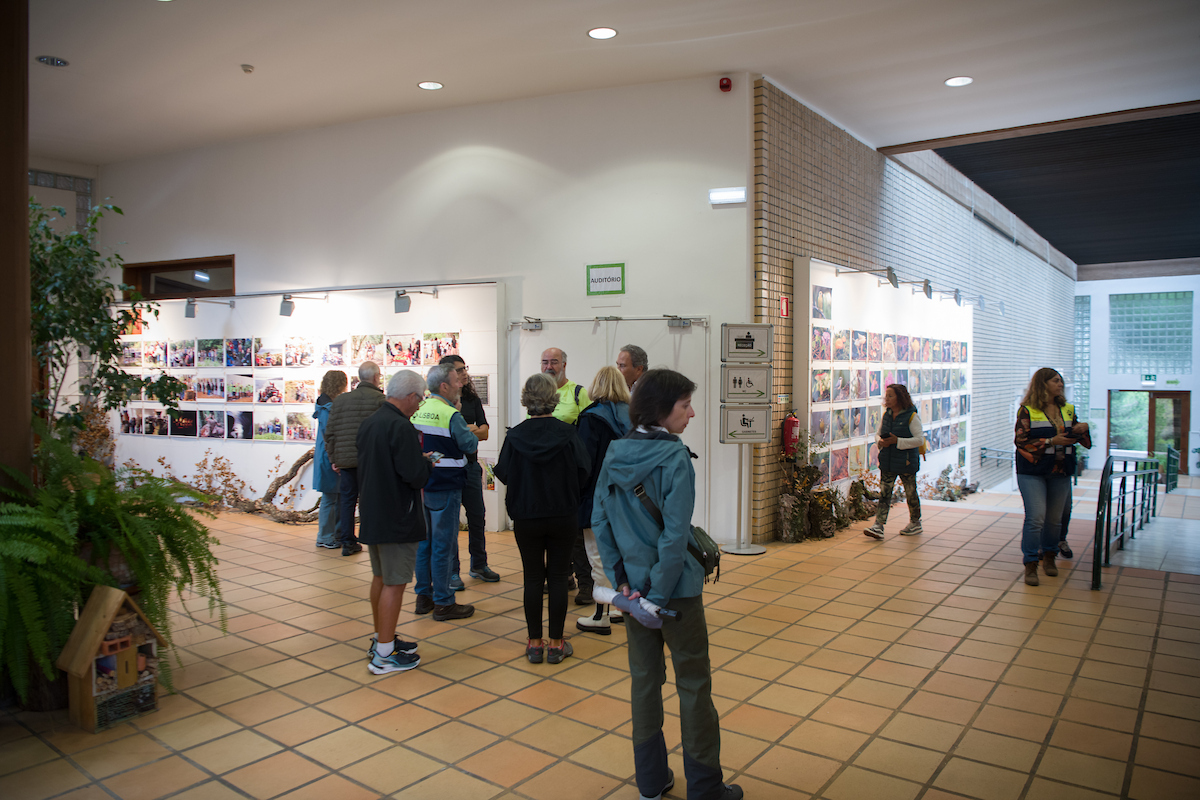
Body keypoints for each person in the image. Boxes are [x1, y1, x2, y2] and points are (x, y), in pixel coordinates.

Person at [592, 369, 742, 800]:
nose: (692, 413)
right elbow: (674, 536)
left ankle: (651, 783)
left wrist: (623, 583)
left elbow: (600, 521)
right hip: (674, 595)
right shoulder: (675, 459)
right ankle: (706, 788)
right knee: (693, 684)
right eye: (685, 406)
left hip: (632, 595)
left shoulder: (615, 452)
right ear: (662, 410)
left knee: (644, 682)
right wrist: (657, 596)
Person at [494, 373, 590, 664]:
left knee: (533, 577)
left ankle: (535, 643)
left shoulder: (515, 436)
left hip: (526, 516)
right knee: (559, 577)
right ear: (554, 398)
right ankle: (557, 644)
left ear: (526, 399)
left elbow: (504, 473)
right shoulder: (568, 433)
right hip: (563, 514)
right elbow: (584, 471)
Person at [356, 371, 433, 674]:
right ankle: (384, 656)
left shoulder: (371, 423)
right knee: (395, 582)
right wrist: (425, 463)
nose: (419, 405)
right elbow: (414, 475)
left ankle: (381, 639)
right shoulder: (401, 427)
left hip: (374, 513)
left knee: (380, 578)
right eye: (420, 399)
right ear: (412, 396)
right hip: (397, 516)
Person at [411, 363, 478, 621]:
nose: (460, 384)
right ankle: (444, 602)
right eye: (456, 381)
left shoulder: (418, 410)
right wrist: (463, 420)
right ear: (444, 386)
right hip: (446, 486)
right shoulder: (451, 415)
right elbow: (469, 444)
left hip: (423, 486)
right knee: (443, 546)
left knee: (424, 544)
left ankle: (423, 596)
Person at [1014, 368, 1091, 586]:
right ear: (1043, 384)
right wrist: (1050, 442)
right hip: (1033, 471)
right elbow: (1021, 441)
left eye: (1061, 381)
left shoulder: (1067, 409)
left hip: (1061, 469)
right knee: (1036, 516)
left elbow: (1076, 436)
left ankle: (1050, 557)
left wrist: (1083, 429)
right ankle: (1030, 563)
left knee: (1055, 519)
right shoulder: (1027, 410)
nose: (1061, 384)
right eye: (1056, 381)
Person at [574, 366, 631, 634]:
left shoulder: (591, 418)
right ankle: (621, 606)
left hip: (597, 498)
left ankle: (601, 615)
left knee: (598, 556)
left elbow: (583, 463)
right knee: (622, 554)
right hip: (628, 499)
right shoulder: (632, 416)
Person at [439, 355, 500, 586]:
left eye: (465, 368)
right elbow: (450, 435)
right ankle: (453, 572)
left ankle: (479, 565)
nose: (464, 373)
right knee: (452, 522)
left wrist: (464, 432)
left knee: (477, 516)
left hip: (472, 467)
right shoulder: (441, 402)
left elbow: (485, 432)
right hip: (450, 469)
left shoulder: (472, 399)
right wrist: (469, 430)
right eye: (459, 370)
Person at [324, 361, 385, 556]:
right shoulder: (380, 400)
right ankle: (371, 538)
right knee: (370, 500)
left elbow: (330, 432)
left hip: (346, 461)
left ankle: (348, 542)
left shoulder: (341, 401)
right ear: (376, 377)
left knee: (347, 501)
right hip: (371, 460)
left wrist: (334, 458)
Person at [864, 383, 924, 540]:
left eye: (891, 396)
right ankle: (878, 525)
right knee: (885, 493)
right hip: (888, 460)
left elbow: (919, 440)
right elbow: (877, 434)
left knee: (910, 492)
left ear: (900, 397)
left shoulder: (911, 416)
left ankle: (915, 522)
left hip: (906, 462)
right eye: (886, 396)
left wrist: (897, 442)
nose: (887, 399)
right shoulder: (887, 415)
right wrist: (880, 442)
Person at [313, 369, 348, 549]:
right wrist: (335, 457)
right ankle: (325, 536)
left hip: (330, 455)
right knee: (329, 498)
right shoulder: (327, 407)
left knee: (337, 496)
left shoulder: (326, 403)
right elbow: (330, 433)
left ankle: (335, 534)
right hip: (329, 456)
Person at [541, 347, 590, 424]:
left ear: (564, 365)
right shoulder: (537, 393)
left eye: (554, 362)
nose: (549, 367)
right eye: (545, 362)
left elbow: (589, 425)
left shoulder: (578, 393)